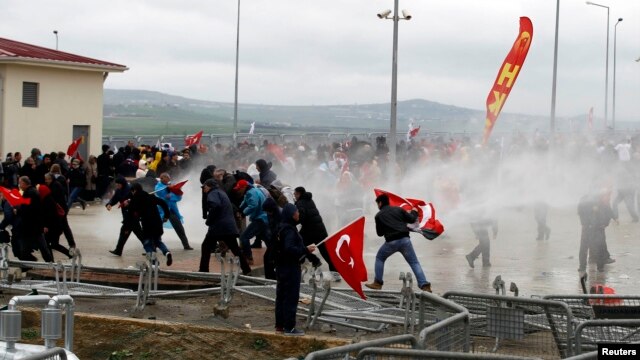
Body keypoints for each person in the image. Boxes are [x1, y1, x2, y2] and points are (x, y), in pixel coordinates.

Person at [365, 194, 432, 292]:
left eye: (377, 204)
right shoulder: (398, 209)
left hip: (391, 242)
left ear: (380, 203)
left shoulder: (378, 216)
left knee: (380, 258)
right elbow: (412, 219)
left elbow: (379, 234)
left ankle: (378, 283)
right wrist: (414, 211)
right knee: (414, 262)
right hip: (405, 240)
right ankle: (424, 285)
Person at [275, 203, 317, 336]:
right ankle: (289, 327)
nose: (298, 213)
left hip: (282, 267)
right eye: (296, 212)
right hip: (290, 268)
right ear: (291, 214)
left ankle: (280, 325)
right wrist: (305, 249)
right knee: (290, 297)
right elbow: (289, 249)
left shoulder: (283, 227)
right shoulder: (289, 230)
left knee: (281, 297)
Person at [199, 179, 251, 275]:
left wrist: (209, 220)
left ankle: (203, 271)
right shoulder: (221, 192)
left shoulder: (212, 193)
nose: (203, 189)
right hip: (228, 226)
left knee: (206, 246)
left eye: (204, 187)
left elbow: (215, 206)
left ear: (209, 186)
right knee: (235, 249)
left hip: (218, 227)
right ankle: (246, 269)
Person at [293, 186, 339, 281]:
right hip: (320, 229)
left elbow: (302, 217)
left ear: (299, 194)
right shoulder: (309, 200)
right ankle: (335, 274)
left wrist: (292, 223)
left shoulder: (300, 203)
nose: (294, 196)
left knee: (298, 245)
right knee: (326, 253)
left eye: (295, 194)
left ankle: (309, 263)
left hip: (310, 230)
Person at [127, 182, 173, 266]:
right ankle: (167, 252)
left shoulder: (134, 201)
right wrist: (166, 216)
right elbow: (163, 203)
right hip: (157, 223)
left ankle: (154, 262)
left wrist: (127, 227)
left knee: (147, 244)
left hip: (147, 225)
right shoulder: (151, 196)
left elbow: (130, 215)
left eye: (132, 191)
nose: (131, 193)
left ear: (135, 190)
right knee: (158, 241)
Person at [14, 176, 53, 262]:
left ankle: (29, 265)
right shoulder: (32, 191)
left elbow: (27, 209)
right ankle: (49, 263)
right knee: (40, 247)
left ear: (24, 183)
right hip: (34, 225)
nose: (19, 185)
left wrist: (18, 210)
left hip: (31, 225)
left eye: (20, 183)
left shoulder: (30, 193)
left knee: (26, 247)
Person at [578, 188, 616, 272]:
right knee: (586, 248)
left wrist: (605, 223)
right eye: (607, 197)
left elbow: (608, 213)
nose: (608, 199)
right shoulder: (589, 201)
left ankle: (600, 267)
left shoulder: (602, 203)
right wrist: (585, 223)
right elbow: (581, 212)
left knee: (599, 247)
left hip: (597, 228)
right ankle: (583, 266)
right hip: (589, 228)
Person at [154, 173, 193, 250]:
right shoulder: (158, 186)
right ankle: (154, 246)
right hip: (162, 210)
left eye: (169, 178)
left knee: (179, 227)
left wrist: (175, 191)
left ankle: (186, 245)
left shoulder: (171, 186)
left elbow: (178, 197)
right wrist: (168, 189)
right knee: (157, 228)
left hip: (172, 210)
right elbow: (159, 193)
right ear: (162, 178)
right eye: (166, 178)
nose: (168, 179)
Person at [106, 177, 144, 256]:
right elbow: (114, 199)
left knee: (126, 231)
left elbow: (138, 199)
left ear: (122, 184)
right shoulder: (119, 190)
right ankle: (150, 247)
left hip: (132, 214)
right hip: (126, 215)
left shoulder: (131, 189)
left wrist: (130, 202)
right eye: (116, 185)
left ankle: (118, 250)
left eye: (118, 184)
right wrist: (109, 204)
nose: (117, 186)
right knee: (138, 233)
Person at [235, 179, 269, 265]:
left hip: (260, 219)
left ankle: (248, 258)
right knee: (268, 240)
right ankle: (277, 256)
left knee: (244, 237)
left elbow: (253, 205)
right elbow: (246, 201)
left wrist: (243, 212)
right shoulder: (253, 190)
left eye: (239, 188)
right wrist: (239, 208)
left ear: (244, 187)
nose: (238, 190)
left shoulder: (251, 193)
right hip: (264, 218)